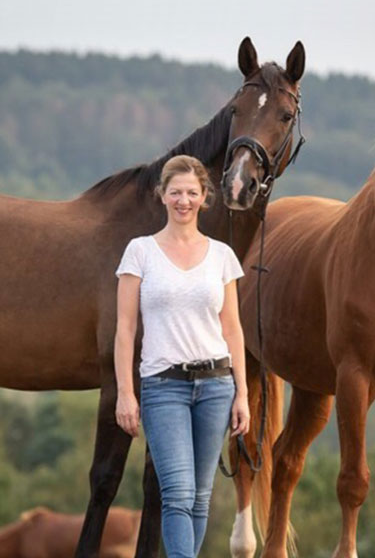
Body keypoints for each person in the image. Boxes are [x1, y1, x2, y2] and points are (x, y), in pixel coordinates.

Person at [113, 154, 250, 558]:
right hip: (163, 387)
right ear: (162, 196)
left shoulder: (222, 256)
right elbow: (125, 329)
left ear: (205, 197)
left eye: (192, 193)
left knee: (201, 497)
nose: (183, 200)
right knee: (177, 492)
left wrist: (241, 393)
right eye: (176, 192)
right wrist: (126, 392)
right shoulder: (140, 252)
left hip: (216, 385)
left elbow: (233, 329)